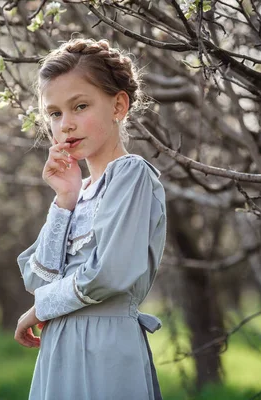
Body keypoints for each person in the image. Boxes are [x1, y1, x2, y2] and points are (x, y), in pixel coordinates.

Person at [15, 38, 167, 400]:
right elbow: (38, 277)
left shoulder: (131, 174)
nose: (65, 125)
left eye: (79, 106)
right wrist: (64, 199)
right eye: (54, 114)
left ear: (118, 105)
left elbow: (111, 272)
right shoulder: (77, 192)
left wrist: (40, 310)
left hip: (105, 348)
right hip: (60, 349)